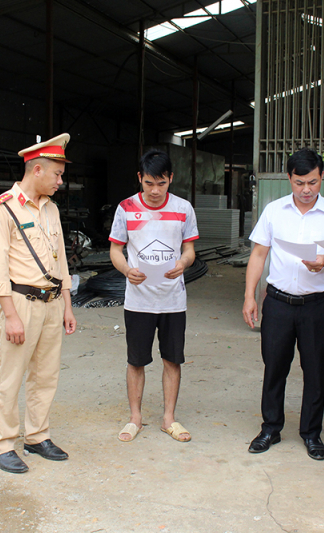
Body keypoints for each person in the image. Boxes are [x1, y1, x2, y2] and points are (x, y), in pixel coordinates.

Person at [242, 147, 324, 459]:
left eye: (312, 182)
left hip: (317, 306)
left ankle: (311, 433)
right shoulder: (274, 211)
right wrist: (249, 296)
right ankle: (270, 428)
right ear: (289, 179)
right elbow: (258, 254)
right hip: (278, 303)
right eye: (298, 183)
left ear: (322, 178)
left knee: (316, 369)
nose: (306, 190)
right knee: (274, 366)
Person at [0, 134, 77, 474]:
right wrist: (10, 316)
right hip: (19, 303)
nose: (60, 181)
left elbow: (60, 260)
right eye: (56, 175)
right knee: (9, 375)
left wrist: (67, 304)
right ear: (37, 170)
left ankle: (37, 436)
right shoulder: (1, 209)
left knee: (45, 375)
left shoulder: (50, 209)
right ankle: (1, 443)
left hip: (51, 303)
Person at [109, 149, 199, 443]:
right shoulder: (125, 208)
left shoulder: (184, 208)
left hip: (173, 299)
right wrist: (126, 270)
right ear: (140, 178)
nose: (156, 190)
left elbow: (189, 250)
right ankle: (135, 418)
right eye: (149, 183)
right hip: (139, 299)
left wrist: (183, 263)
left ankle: (168, 419)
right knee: (136, 360)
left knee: (172, 359)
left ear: (171, 178)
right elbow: (115, 250)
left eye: (162, 183)